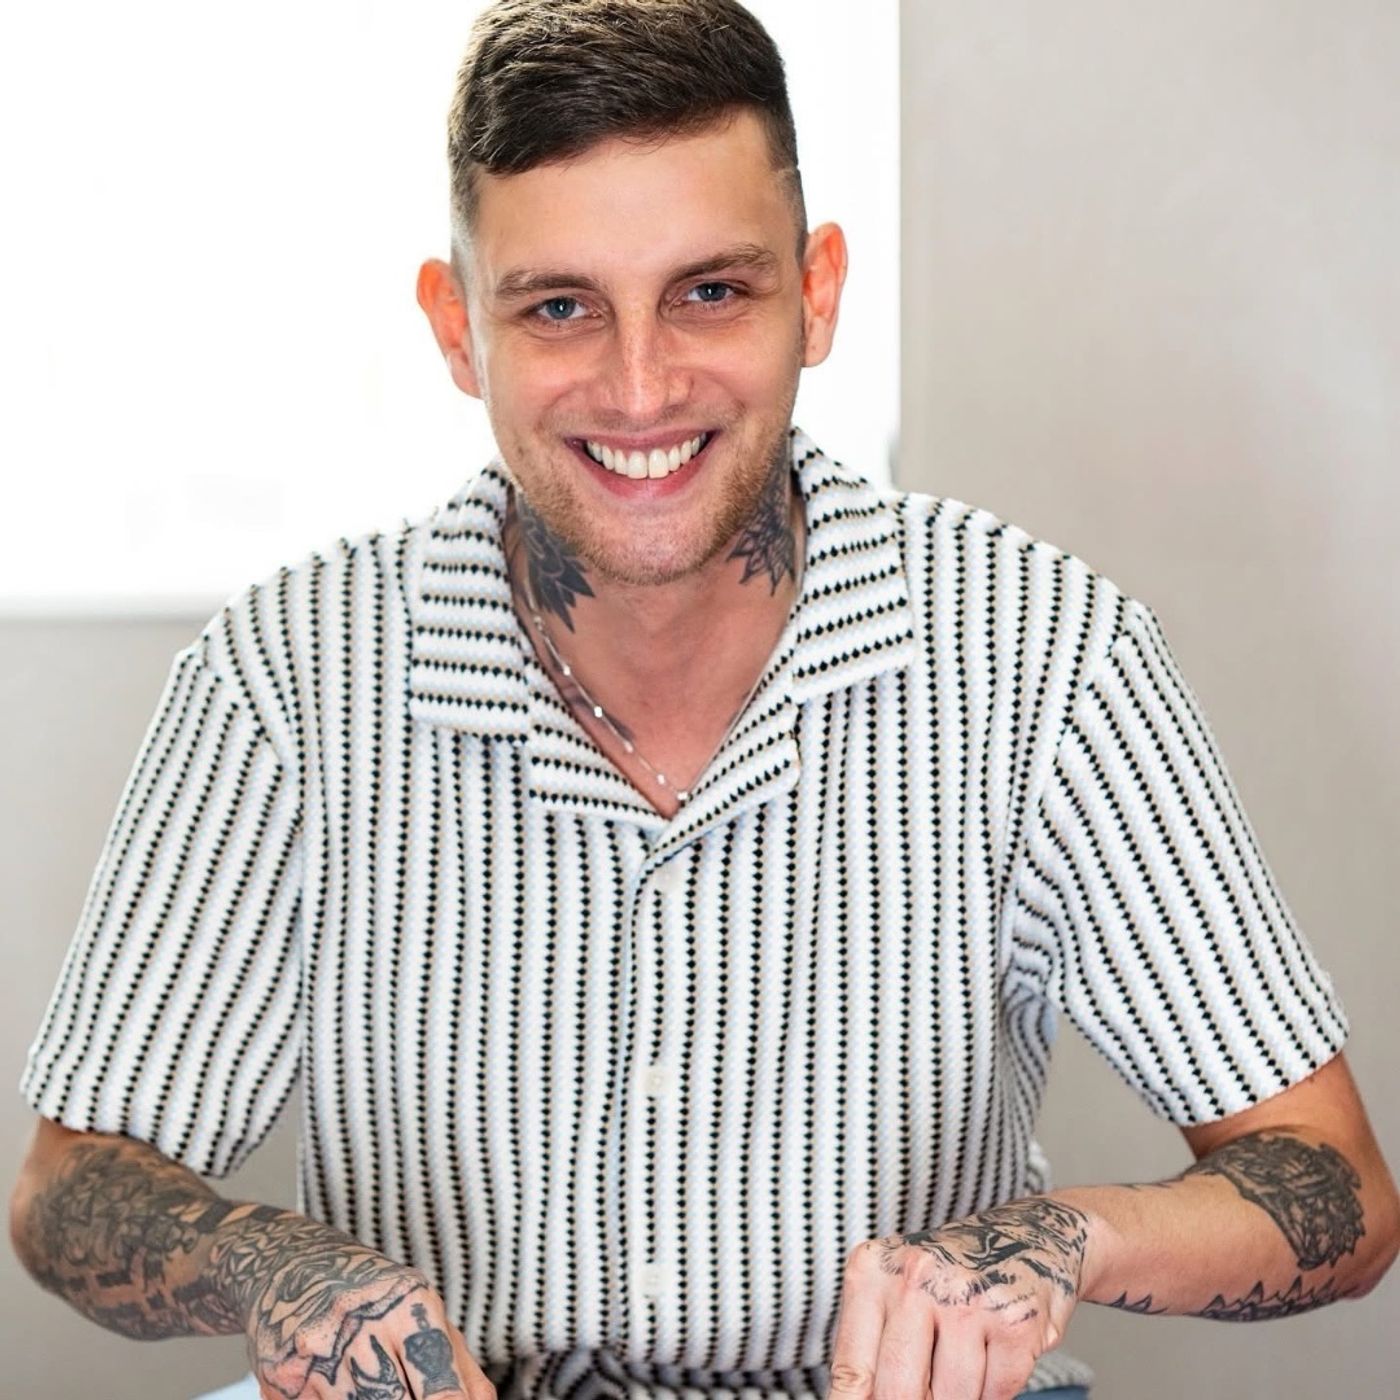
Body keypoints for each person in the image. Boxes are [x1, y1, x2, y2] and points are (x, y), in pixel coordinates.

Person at [10, 2, 1399, 1399]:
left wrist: (1052, 1243)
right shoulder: (288, 676)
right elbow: (69, 1188)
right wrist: (284, 1275)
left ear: (818, 293)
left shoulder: (1045, 653)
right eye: (560, 307)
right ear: (457, 329)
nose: (641, 388)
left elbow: (1336, 1184)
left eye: (711, 292)